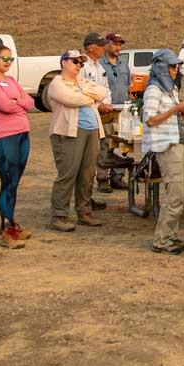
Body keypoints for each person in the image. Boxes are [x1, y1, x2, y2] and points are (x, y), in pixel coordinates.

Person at [0, 44, 35, 249]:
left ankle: (11, 224)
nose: (8, 62)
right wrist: (17, 101)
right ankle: (6, 229)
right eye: (4, 58)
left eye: (10, 59)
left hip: (22, 132)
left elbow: (30, 103)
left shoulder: (11, 80)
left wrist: (16, 100)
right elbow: (4, 105)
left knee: (15, 181)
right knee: (8, 180)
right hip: (2, 135)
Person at [46, 50, 106, 231]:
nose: (79, 65)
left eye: (81, 62)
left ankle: (84, 212)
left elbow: (102, 92)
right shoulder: (56, 83)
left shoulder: (82, 81)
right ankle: (59, 215)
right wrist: (90, 98)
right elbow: (70, 99)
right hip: (68, 132)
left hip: (92, 130)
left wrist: (88, 95)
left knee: (88, 173)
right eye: (75, 61)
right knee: (68, 173)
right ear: (63, 62)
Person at [141, 50, 184, 254]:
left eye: (177, 66)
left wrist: (182, 110)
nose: (176, 69)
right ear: (161, 67)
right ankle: (162, 239)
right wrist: (175, 109)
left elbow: (170, 117)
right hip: (167, 146)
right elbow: (150, 119)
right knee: (174, 194)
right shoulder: (154, 89)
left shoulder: (170, 88)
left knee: (180, 193)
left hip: (179, 142)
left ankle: (171, 236)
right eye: (172, 66)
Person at [78, 32, 114, 209]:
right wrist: (98, 104)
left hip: (100, 115)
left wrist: (106, 103)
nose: (103, 48)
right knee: (86, 161)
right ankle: (84, 200)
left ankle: (87, 198)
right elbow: (82, 90)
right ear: (90, 47)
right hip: (86, 116)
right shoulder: (82, 66)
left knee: (97, 154)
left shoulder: (99, 67)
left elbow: (105, 89)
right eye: (100, 45)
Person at [96, 32, 132, 193]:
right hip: (105, 110)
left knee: (123, 143)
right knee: (104, 144)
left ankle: (118, 176)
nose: (118, 47)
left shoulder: (124, 65)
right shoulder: (99, 65)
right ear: (107, 44)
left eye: (120, 44)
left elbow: (127, 85)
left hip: (122, 111)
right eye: (115, 44)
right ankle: (103, 178)